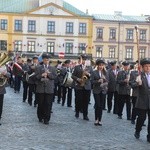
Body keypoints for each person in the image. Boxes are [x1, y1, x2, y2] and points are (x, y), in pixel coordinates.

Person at [35, 53, 56, 125]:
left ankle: (47, 119)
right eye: (45, 60)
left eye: (47, 60)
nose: (46, 61)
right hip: (40, 88)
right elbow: (36, 77)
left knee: (48, 104)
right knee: (40, 104)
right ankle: (40, 117)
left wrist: (48, 74)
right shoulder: (38, 67)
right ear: (43, 60)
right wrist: (42, 75)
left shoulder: (52, 68)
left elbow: (54, 77)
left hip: (49, 89)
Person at [72, 54, 93, 121]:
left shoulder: (90, 68)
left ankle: (85, 115)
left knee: (86, 101)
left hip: (87, 86)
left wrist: (88, 74)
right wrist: (78, 79)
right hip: (79, 86)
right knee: (78, 100)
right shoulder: (77, 67)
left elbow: (92, 77)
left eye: (85, 59)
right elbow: (72, 76)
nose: (84, 61)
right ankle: (77, 112)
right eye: (83, 59)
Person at [134, 58, 150, 143]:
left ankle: (149, 136)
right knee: (141, 118)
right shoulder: (139, 75)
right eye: (146, 66)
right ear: (142, 67)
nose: (148, 68)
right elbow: (132, 84)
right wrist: (137, 83)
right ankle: (137, 130)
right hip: (142, 101)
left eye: (149, 66)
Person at [91, 59, 108, 126]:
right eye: (100, 65)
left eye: (102, 65)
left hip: (103, 91)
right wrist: (98, 81)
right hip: (96, 90)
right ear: (97, 65)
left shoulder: (105, 73)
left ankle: (100, 120)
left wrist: (104, 80)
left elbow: (107, 82)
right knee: (97, 105)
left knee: (101, 106)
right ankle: (96, 119)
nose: (101, 66)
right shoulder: (94, 72)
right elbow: (92, 81)